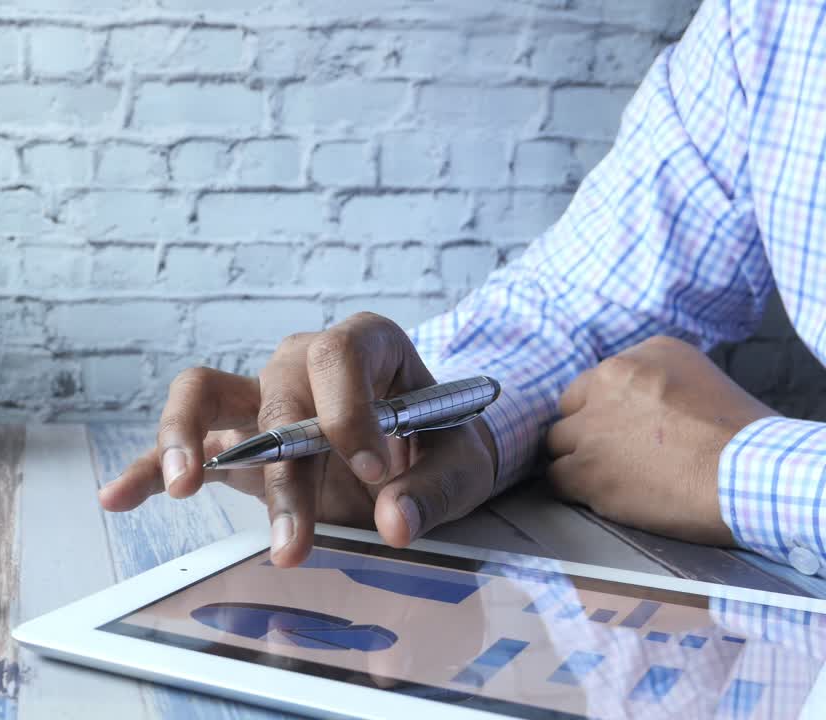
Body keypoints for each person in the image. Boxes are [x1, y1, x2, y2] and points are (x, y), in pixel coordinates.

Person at [99, 0, 826, 579]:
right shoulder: (767, 21)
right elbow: (588, 301)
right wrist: (423, 422)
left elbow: (710, 451)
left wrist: (743, 472)